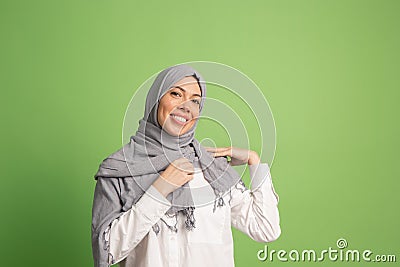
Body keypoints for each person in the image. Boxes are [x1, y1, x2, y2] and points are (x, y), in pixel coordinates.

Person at [91, 64, 281, 267]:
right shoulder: (120, 170)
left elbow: (266, 228)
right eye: (175, 94)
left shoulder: (212, 169)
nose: (186, 106)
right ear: (155, 100)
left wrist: (254, 160)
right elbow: (106, 252)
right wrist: (159, 190)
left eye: (195, 101)